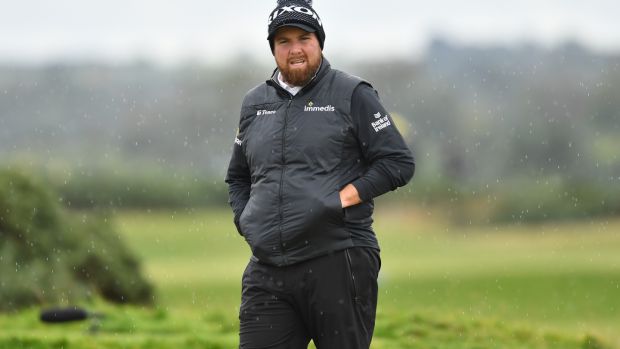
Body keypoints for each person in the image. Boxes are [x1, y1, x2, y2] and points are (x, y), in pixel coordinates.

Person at [225, 0, 415, 347]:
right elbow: (238, 177)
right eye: (283, 41)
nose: (295, 49)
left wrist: (336, 202)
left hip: (338, 259)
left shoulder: (352, 94)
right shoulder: (255, 103)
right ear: (273, 48)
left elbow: (396, 163)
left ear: (319, 42)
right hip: (267, 269)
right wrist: (246, 219)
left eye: (304, 38)